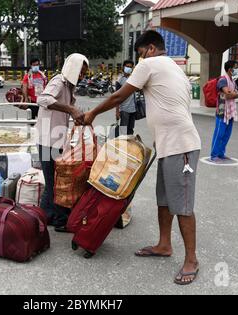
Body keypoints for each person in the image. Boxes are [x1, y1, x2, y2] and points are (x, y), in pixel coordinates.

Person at [83, 31, 202, 285]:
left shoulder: (150, 64)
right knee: (164, 200)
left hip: (181, 146)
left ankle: (191, 259)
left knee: (181, 205)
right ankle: (164, 244)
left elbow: (119, 96)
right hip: (169, 146)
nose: (137, 61)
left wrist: (92, 112)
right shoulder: (173, 67)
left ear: (150, 49)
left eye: (138, 54)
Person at [36, 53, 88, 232]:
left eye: (85, 72)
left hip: (56, 140)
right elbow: (43, 99)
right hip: (47, 141)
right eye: (81, 70)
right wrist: (70, 108)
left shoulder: (69, 87)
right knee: (54, 183)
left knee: (54, 181)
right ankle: (57, 220)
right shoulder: (59, 81)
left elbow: (63, 114)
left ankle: (46, 217)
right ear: (72, 67)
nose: (82, 75)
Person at [210, 61, 238, 162]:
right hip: (222, 110)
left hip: (230, 110)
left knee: (227, 134)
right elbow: (227, 94)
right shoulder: (223, 80)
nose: (236, 69)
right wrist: (234, 94)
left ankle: (221, 153)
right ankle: (214, 154)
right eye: (235, 68)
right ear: (229, 69)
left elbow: (236, 93)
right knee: (219, 133)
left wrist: (233, 94)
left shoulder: (232, 80)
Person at [115, 60, 137, 135]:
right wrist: (117, 111)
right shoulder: (120, 80)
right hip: (124, 109)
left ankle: (129, 145)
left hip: (133, 109)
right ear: (123, 67)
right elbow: (116, 97)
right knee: (123, 130)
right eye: (127, 66)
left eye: (131, 67)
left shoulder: (134, 78)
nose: (129, 68)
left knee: (130, 130)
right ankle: (122, 146)